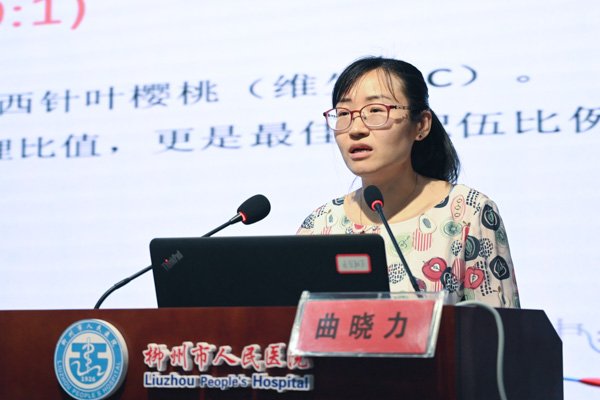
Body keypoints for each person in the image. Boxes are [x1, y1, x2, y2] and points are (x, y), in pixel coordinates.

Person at [297, 57, 520, 308]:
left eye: (376, 110)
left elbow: (499, 326)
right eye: (344, 114)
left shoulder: (467, 211)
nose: (356, 129)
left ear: (421, 124)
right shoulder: (320, 225)